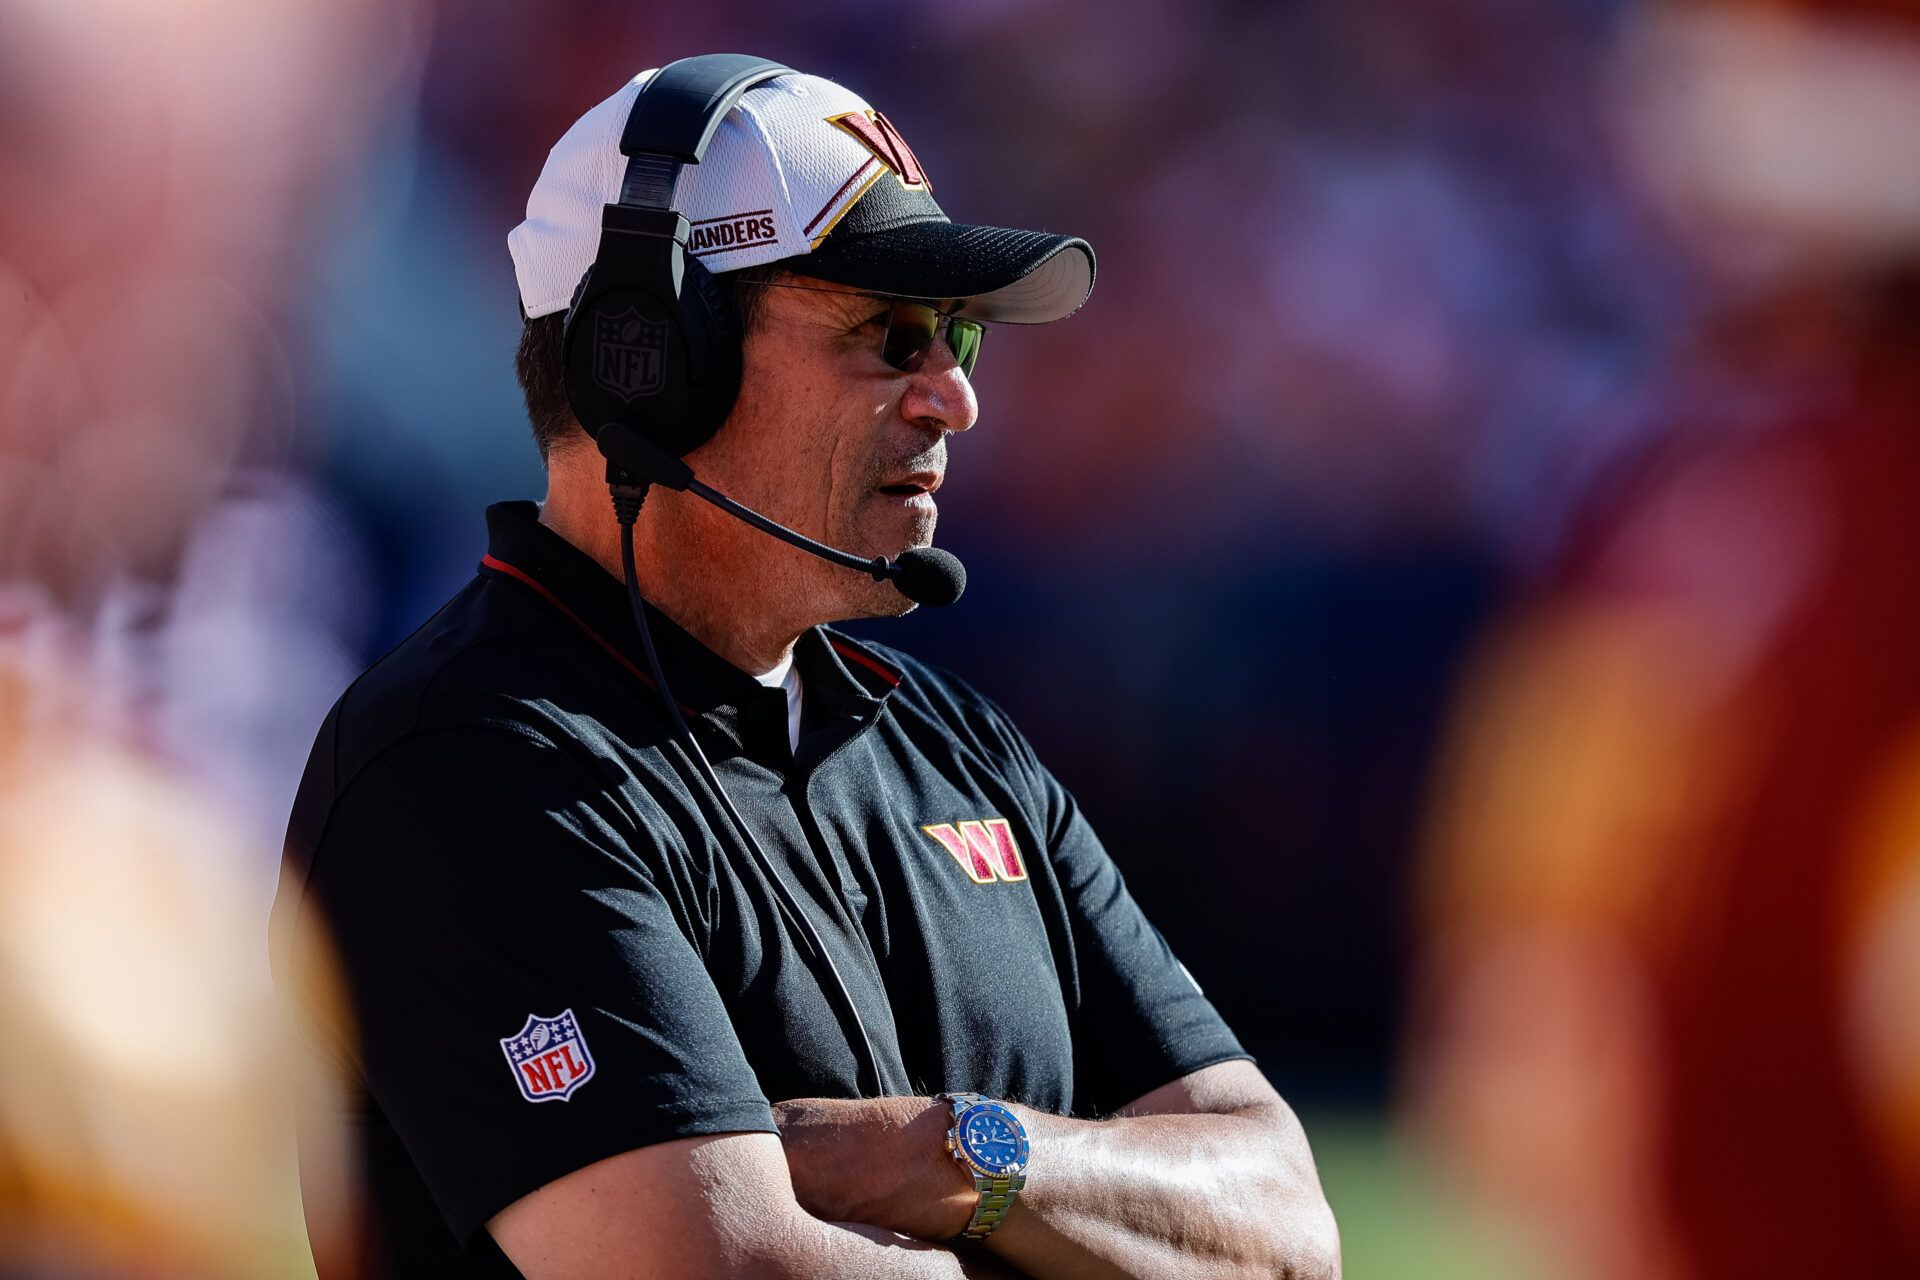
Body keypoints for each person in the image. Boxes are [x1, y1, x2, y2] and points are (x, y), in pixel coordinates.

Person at [270, 58, 1339, 1280]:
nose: (955, 399)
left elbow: (1285, 1230)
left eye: (959, 338)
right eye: (889, 335)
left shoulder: (962, 746)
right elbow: (717, 1267)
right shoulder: (464, 763)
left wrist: (948, 1157)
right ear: (651, 359)